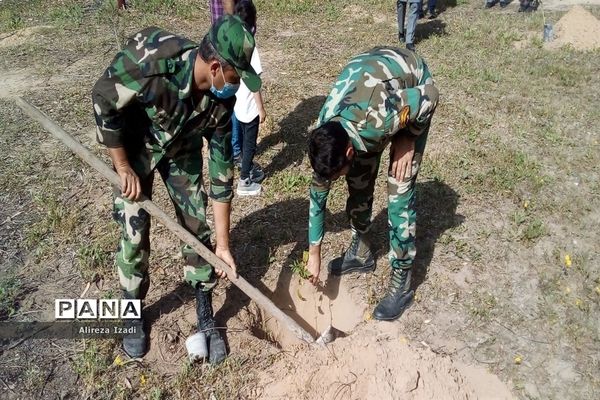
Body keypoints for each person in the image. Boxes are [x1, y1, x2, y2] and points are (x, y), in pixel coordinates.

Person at [91, 15, 261, 363]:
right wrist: (123, 167)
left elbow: (221, 175)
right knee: (134, 230)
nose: (238, 85)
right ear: (216, 67)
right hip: (136, 147)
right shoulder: (152, 61)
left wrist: (223, 246)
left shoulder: (220, 102)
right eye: (236, 76)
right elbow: (103, 99)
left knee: (196, 226)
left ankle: (204, 309)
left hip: (181, 149)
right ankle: (132, 308)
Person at [305, 47, 438, 321]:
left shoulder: (380, 119)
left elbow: (431, 96)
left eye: (335, 174)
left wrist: (408, 137)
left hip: (413, 87)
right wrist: (313, 254)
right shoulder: (325, 131)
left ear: (349, 152)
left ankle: (401, 280)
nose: (332, 181)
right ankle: (362, 251)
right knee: (358, 179)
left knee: (399, 188)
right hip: (372, 95)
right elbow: (317, 198)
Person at [233, 0, 266, 196]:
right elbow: (255, 85)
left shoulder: (233, 45)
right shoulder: (251, 48)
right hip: (249, 107)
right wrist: (260, 108)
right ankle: (245, 180)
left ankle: (245, 165)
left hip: (237, 104)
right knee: (250, 144)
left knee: (244, 141)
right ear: (254, 22)